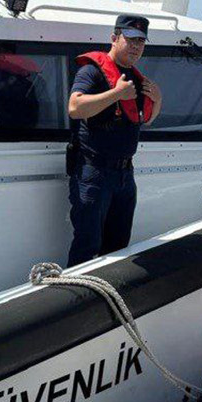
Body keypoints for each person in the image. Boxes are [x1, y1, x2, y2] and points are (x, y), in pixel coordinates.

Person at [65, 15, 163, 266]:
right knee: (87, 244)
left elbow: (146, 119)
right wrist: (116, 93)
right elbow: (75, 107)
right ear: (114, 38)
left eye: (141, 41)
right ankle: (79, 299)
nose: (135, 46)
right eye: (130, 39)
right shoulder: (92, 72)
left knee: (119, 245)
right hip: (94, 173)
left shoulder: (136, 79)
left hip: (125, 175)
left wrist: (158, 100)